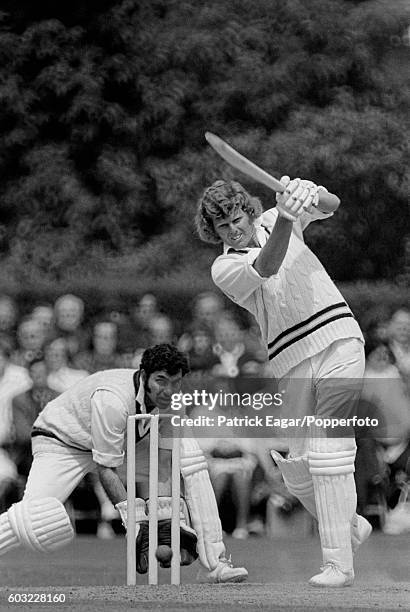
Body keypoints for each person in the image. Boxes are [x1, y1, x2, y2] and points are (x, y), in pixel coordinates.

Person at [196, 176, 372, 587]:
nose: (234, 229)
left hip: (338, 338)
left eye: (237, 218)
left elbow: (333, 202)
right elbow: (266, 265)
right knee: (298, 467)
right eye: (223, 227)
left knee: (330, 446)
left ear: (248, 210)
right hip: (290, 360)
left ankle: (338, 565)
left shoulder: (277, 216)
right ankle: (350, 525)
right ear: (214, 233)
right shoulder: (224, 266)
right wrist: (288, 217)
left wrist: (308, 191)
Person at [0, 343, 247, 583]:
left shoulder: (173, 401)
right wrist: (135, 519)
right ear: (143, 376)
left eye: (176, 382)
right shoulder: (113, 399)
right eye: (161, 380)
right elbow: (105, 467)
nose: (169, 391)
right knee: (34, 516)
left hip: (127, 440)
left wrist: (163, 514)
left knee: (190, 461)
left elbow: (162, 463)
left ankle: (216, 564)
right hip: (63, 441)